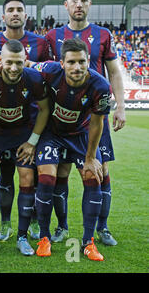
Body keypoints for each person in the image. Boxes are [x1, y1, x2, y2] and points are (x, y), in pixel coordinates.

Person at [44, 0, 126, 245]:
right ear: (65, 5)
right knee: (62, 172)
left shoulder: (103, 34)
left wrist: (121, 105)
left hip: (93, 117)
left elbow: (113, 71)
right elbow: (43, 74)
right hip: (63, 117)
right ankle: (61, 226)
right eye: (74, 1)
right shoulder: (52, 36)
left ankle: (102, 228)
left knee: (100, 171)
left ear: (90, 4)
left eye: (84, 0)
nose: (79, 4)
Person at [0, 0, 52, 242]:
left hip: (27, 127)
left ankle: (29, 227)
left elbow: (48, 76)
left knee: (32, 176)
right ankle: (3, 225)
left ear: (26, 15)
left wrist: (33, 139)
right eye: (11, 9)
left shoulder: (40, 44)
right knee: (1, 175)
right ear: (3, 15)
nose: (15, 13)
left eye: (20, 9)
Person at [31, 38, 112, 261]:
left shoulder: (101, 85)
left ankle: (88, 242)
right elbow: (28, 66)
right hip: (52, 134)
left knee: (91, 176)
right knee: (46, 178)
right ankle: (44, 238)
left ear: (88, 61)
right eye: (72, 62)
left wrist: (90, 158)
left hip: (81, 135)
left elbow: (97, 123)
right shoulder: (48, 69)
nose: (77, 67)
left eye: (82, 62)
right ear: (62, 63)